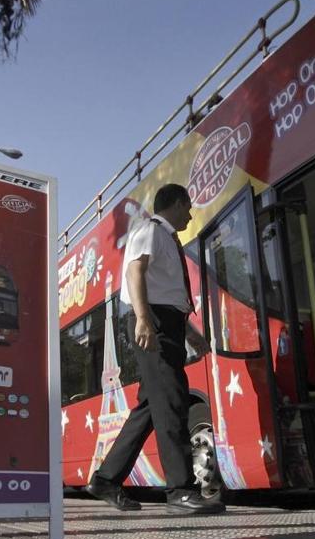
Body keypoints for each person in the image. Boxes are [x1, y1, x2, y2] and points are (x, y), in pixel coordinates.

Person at [85, 183, 224, 515]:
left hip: (167, 322)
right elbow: (135, 271)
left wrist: (188, 331)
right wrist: (144, 319)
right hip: (154, 322)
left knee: (152, 406)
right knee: (174, 401)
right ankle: (180, 491)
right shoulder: (149, 230)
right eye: (188, 209)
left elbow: (166, 290)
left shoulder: (165, 239)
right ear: (176, 204)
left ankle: (106, 479)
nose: (190, 216)